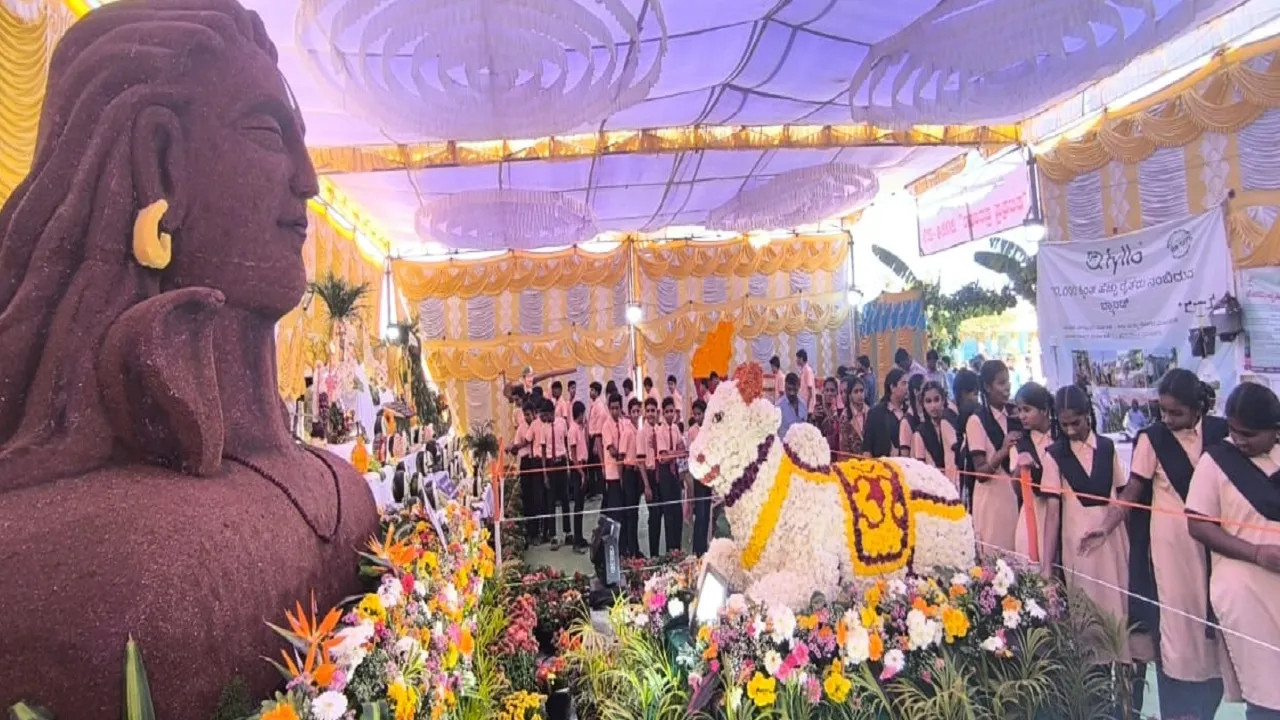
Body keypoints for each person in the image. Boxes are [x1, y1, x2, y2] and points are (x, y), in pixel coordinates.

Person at [1081, 368, 1226, 718]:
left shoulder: (1220, 433)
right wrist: (1107, 525)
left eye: (1176, 412)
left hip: (1214, 545)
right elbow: (1133, 491)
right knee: (1175, 622)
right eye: (1163, 411)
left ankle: (1210, 696)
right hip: (1170, 548)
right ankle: (1176, 701)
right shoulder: (1152, 438)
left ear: (1198, 409)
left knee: (1213, 619)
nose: (1168, 418)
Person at [1187, 382, 1280, 719]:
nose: (1239, 440)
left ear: (1275, 429)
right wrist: (1256, 553)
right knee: (1266, 690)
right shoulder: (1215, 462)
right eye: (1234, 431)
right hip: (1245, 590)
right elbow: (1198, 525)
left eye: (1249, 434)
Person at [1042, 385, 1133, 668]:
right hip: (1078, 548)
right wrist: (1046, 567)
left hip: (1112, 542)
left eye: (1076, 423)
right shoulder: (1054, 455)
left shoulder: (1107, 448)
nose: (1070, 430)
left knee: (1118, 610)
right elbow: (1052, 515)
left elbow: (1123, 495)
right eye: (1064, 425)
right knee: (1087, 616)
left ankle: (1124, 678)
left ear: (1088, 416)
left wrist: (1108, 527)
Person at [965, 360, 1022, 554]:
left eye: (1008, 382)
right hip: (992, 502)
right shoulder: (977, 421)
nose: (1007, 388)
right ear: (988, 387)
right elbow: (980, 473)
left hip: (1015, 499)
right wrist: (1003, 451)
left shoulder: (1014, 416)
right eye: (1001, 383)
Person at [1012, 382, 1057, 563]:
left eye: (1027, 410)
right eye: (1019, 410)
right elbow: (1017, 490)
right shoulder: (1020, 443)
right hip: (1034, 513)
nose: (1022, 416)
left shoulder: (1060, 435)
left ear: (1044, 410)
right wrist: (1020, 468)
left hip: (1062, 512)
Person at [654, 397, 686, 556]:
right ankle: (670, 550)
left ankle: (678, 548)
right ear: (663, 413)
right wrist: (675, 453)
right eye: (666, 411)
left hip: (676, 473)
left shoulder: (676, 429)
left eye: (671, 411)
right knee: (668, 513)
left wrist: (672, 453)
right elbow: (663, 458)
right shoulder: (660, 431)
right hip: (665, 473)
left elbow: (682, 449)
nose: (669, 414)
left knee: (677, 511)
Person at [509, 399, 544, 545]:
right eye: (525, 415)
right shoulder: (521, 428)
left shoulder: (539, 425)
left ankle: (539, 531)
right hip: (525, 463)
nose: (526, 417)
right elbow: (516, 447)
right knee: (528, 498)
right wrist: (512, 448)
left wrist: (516, 446)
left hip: (536, 462)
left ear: (534, 413)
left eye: (528, 414)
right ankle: (530, 532)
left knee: (538, 498)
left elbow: (526, 443)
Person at [912, 380, 959, 487]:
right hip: (934, 486)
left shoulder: (953, 421)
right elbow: (920, 468)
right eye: (928, 401)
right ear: (923, 404)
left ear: (943, 400)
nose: (933, 406)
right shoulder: (921, 432)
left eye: (936, 400)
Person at [540, 397, 571, 550]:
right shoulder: (543, 428)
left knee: (565, 499)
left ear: (552, 412)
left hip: (561, 463)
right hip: (550, 465)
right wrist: (545, 474)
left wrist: (568, 465)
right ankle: (553, 535)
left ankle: (567, 532)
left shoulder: (562, 423)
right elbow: (543, 452)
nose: (544, 418)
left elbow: (566, 443)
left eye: (546, 414)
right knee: (551, 502)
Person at [686, 399, 713, 556]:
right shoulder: (692, 431)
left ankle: (705, 548)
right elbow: (691, 453)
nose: (697, 417)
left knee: (707, 513)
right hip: (698, 475)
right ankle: (697, 550)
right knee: (700, 513)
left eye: (699, 414)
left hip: (708, 475)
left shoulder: (710, 429)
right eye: (695, 414)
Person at [864, 368, 908, 458]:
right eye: (903, 383)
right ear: (892, 387)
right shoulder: (876, 413)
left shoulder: (909, 412)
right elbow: (867, 447)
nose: (907, 387)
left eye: (908, 383)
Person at [620, 397, 644, 558]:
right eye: (633, 411)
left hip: (637, 474)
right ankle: (630, 550)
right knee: (630, 513)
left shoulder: (638, 431)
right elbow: (621, 456)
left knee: (635, 512)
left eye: (637, 411)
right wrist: (622, 479)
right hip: (629, 472)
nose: (636, 414)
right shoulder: (627, 432)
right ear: (629, 413)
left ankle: (635, 548)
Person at [600, 392, 626, 533]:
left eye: (617, 408)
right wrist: (624, 455)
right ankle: (612, 541)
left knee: (623, 510)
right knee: (615, 511)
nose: (615, 411)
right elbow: (612, 451)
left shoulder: (623, 423)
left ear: (621, 408)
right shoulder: (606, 426)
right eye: (612, 408)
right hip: (613, 474)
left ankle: (623, 542)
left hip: (624, 472)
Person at [639, 397, 662, 557]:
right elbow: (641, 462)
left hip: (662, 475)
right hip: (650, 475)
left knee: (661, 514)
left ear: (657, 412)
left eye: (653, 411)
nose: (651, 414)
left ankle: (661, 553)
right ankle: (653, 555)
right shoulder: (641, 433)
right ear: (645, 413)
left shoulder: (660, 430)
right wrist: (646, 485)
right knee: (653, 515)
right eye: (648, 411)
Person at [567, 400, 589, 553]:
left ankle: (580, 537)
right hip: (578, 469)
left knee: (581, 505)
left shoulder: (581, 429)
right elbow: (573, 456)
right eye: (583, 414)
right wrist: (581, 473)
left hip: (583, 466)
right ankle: (576, 541)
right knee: (578, 505)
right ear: (580, 414)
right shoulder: (573, 430)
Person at [587, 381, 608, 499]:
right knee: (592, 466)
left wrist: (596, 443)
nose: (590, 392)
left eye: (592, 390)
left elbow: (598, 426)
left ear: (597, 392)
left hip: (596, 438)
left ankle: (601, 490)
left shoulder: (599, 406)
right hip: (592, 437)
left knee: (598, 466)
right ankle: (594, 490)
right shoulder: (594, 404)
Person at [811, 377, 842, 455]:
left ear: (837, 393)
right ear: (823, 392)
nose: (829, 393)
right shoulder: (819, 409)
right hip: (821, 451)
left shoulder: (840, 411)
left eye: (832, 390)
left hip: (836, 451)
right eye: (827, 390)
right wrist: (813, 418)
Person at [898, 373, 925, 456]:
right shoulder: (906, 421)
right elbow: (905, 454)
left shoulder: (929, 415)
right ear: (916, 391)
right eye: (924, 388)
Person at [841, 376, 869, 457]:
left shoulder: (871, 413)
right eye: (856, 392)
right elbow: (844, 447)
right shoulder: (845, 417)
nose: (860, 395)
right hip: (852, 460)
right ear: (850, 395)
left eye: (861, 391)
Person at [777, 372, 808, 439]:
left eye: (794, 389)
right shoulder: (778, 407)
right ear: (785, 387)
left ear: (799, 386)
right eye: (789, 389)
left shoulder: (803, 405)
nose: (791, 393)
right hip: (783, 444)